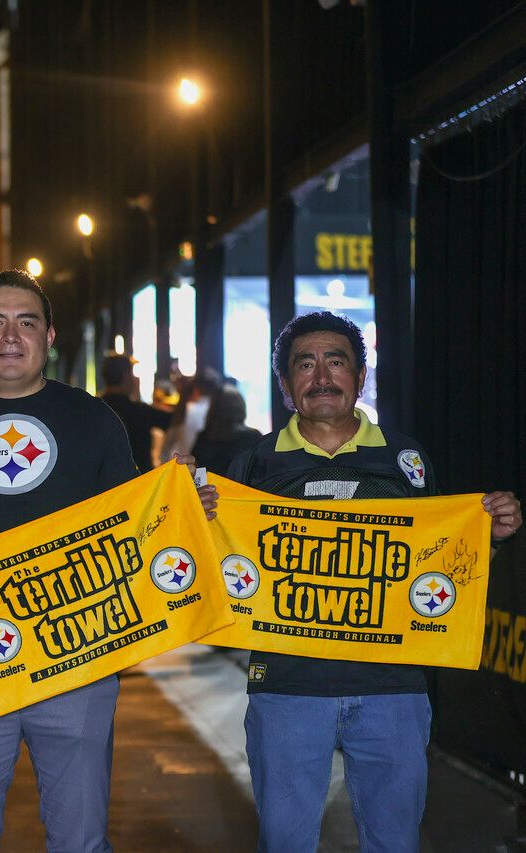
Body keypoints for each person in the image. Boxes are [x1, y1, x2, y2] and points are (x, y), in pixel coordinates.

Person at [0, 269, 217, 852]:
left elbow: (135, 522)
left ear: (50, 336)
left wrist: (186, 505)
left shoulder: (93, 420)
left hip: (80, 657)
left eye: (26, 322)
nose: (11, 335)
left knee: (81, 840)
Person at [226, 310, 522, 852]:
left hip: (393, 689)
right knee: (283, 843)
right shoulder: (253, 464)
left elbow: (440, 555)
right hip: (288, 687)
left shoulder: (406, 459)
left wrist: (492, 533)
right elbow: (216, 562)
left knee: (395, 843)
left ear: (360, 377)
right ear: (286, 385)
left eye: (336, 362)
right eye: (305, 364)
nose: (322, 376)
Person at [100, 354, 171, 473]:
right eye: (132, 373)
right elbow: (174, 421)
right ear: (125, 376)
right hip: (140, 480)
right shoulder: (136, 410)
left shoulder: (96, 407)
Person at [189, 384, 261, 476]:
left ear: (213, 409)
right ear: (240, 408)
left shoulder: (203, 437)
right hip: (242, 490)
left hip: (211, 489)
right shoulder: (253, 437)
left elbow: (198, 475)